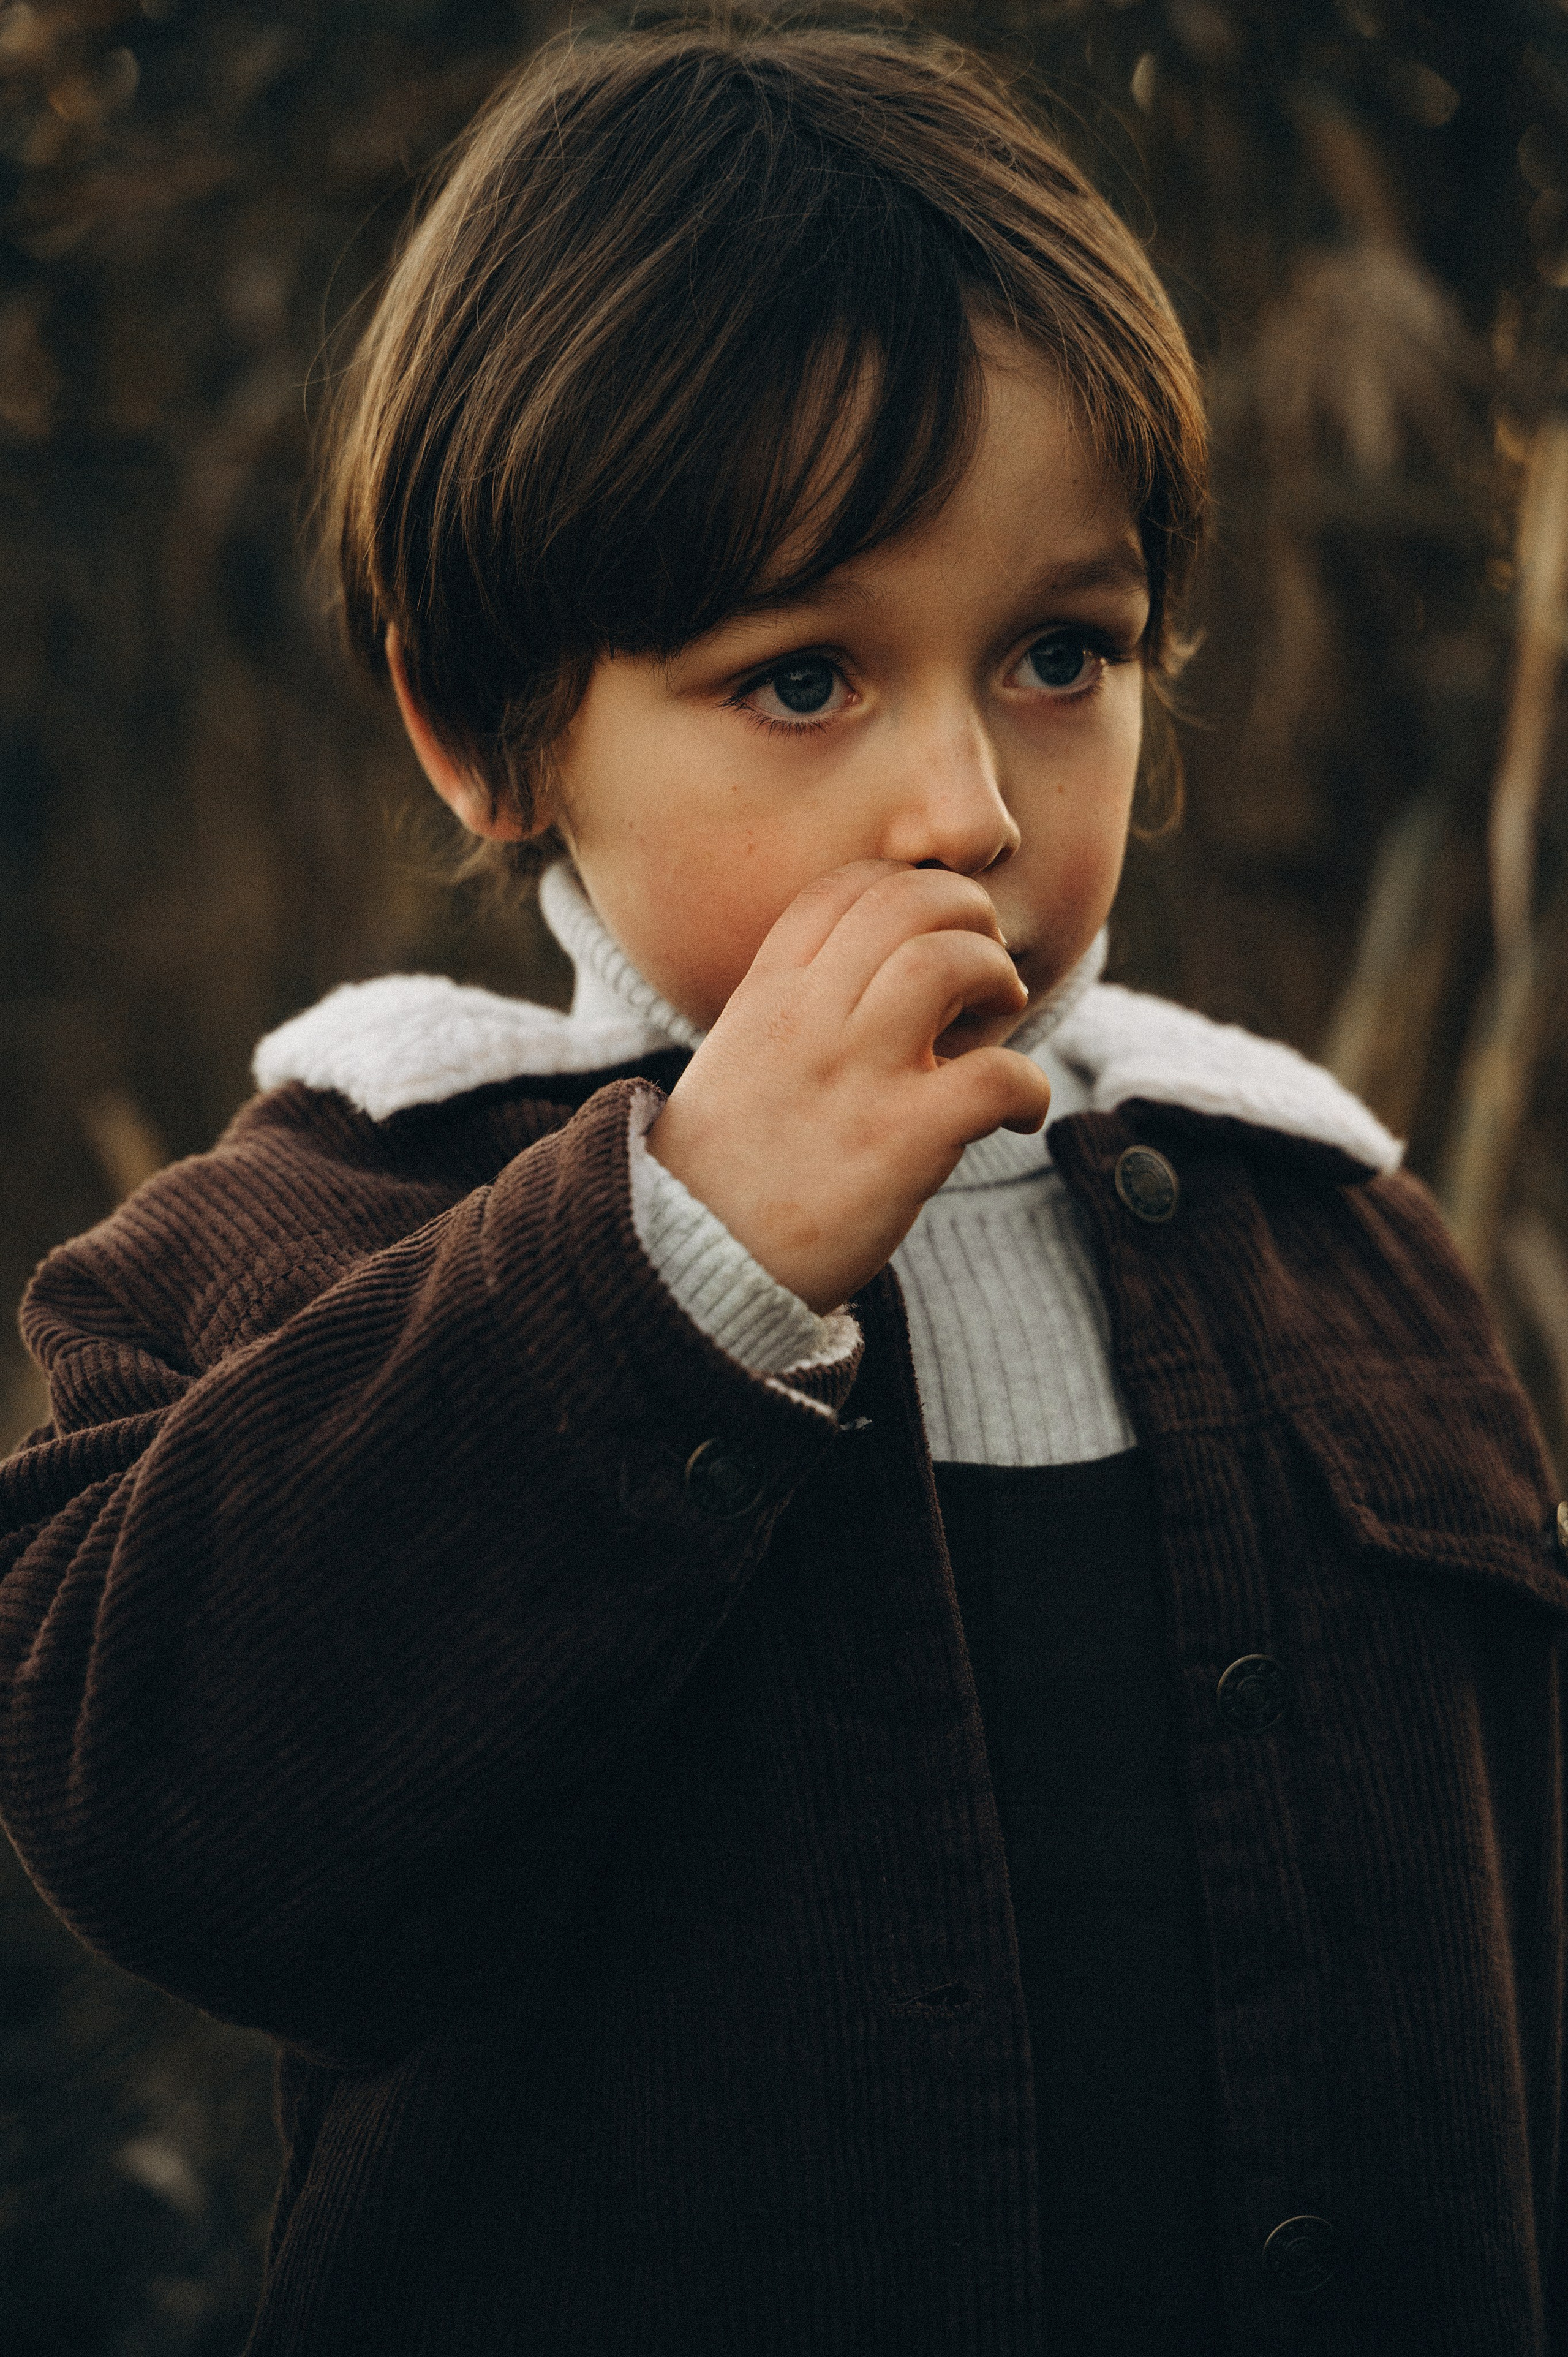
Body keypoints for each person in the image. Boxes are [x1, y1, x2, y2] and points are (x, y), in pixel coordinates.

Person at [1, 19, 1562, 2355]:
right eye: (805, 678)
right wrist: (680, 1261)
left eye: (1061, 654)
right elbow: (180, 1830)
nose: (968, 807)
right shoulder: (318, 1229)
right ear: (486, 730)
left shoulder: (1342, 1239)